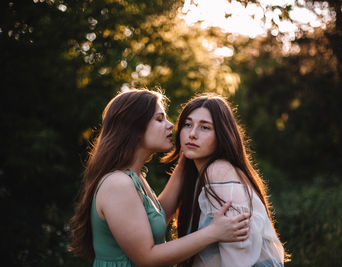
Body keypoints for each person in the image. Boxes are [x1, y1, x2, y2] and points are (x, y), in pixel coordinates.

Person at [69, 89, 250, 267]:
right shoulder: (118, 184)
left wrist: (185, 158)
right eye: (159, 119)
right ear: (135, 127)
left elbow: (156, 218)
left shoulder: (136, 178)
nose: (171, 125)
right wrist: (213, 232)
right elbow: (147, 258)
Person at [162, 93, 287, 267]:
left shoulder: (218, 172)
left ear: (222, 135)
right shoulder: (197, 174)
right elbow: (157, 218)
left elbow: (239, 257)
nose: (192, 134)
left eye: (205, 127)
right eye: (187, 124)